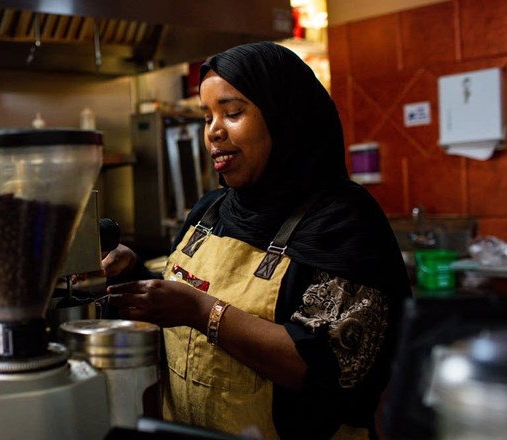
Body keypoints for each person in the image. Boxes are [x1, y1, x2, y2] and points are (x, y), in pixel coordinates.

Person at [103, 41, 411, 440]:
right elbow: (181, 297)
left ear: (286, 118)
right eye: (207, 116)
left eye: (232, 113)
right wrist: (136, 272)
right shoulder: (210, 210)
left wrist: (203, 312)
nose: (214, 131)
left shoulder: (341, 220)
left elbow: (329, 367)